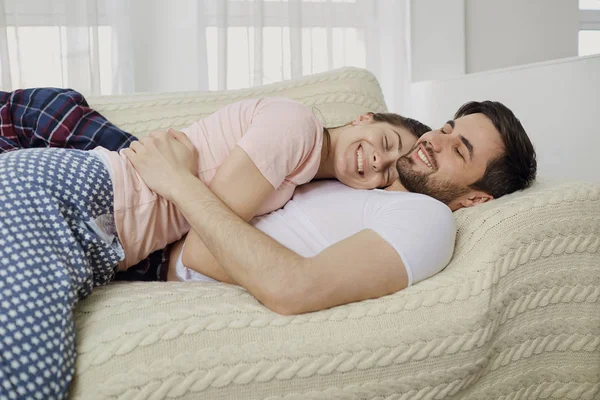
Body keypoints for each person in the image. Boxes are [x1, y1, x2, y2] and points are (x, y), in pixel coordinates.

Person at [0, 90, 428, 399]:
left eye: (387, 174)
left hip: (90, 229)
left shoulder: (303, 171)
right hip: (74, 198)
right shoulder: (296, 128)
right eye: (386, 143)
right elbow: (201, 252)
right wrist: (284, 272)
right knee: (32, 378)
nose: (377, 161)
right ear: (363, 118)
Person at [125, 100, 537, 315]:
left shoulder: (427, 220)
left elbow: (293, 289)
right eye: (446, 129)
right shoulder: (366, 172)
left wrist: (179, 182)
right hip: (155, 204)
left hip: (159, 241)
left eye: (459, 152)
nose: (434, 141)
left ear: (475, 199)